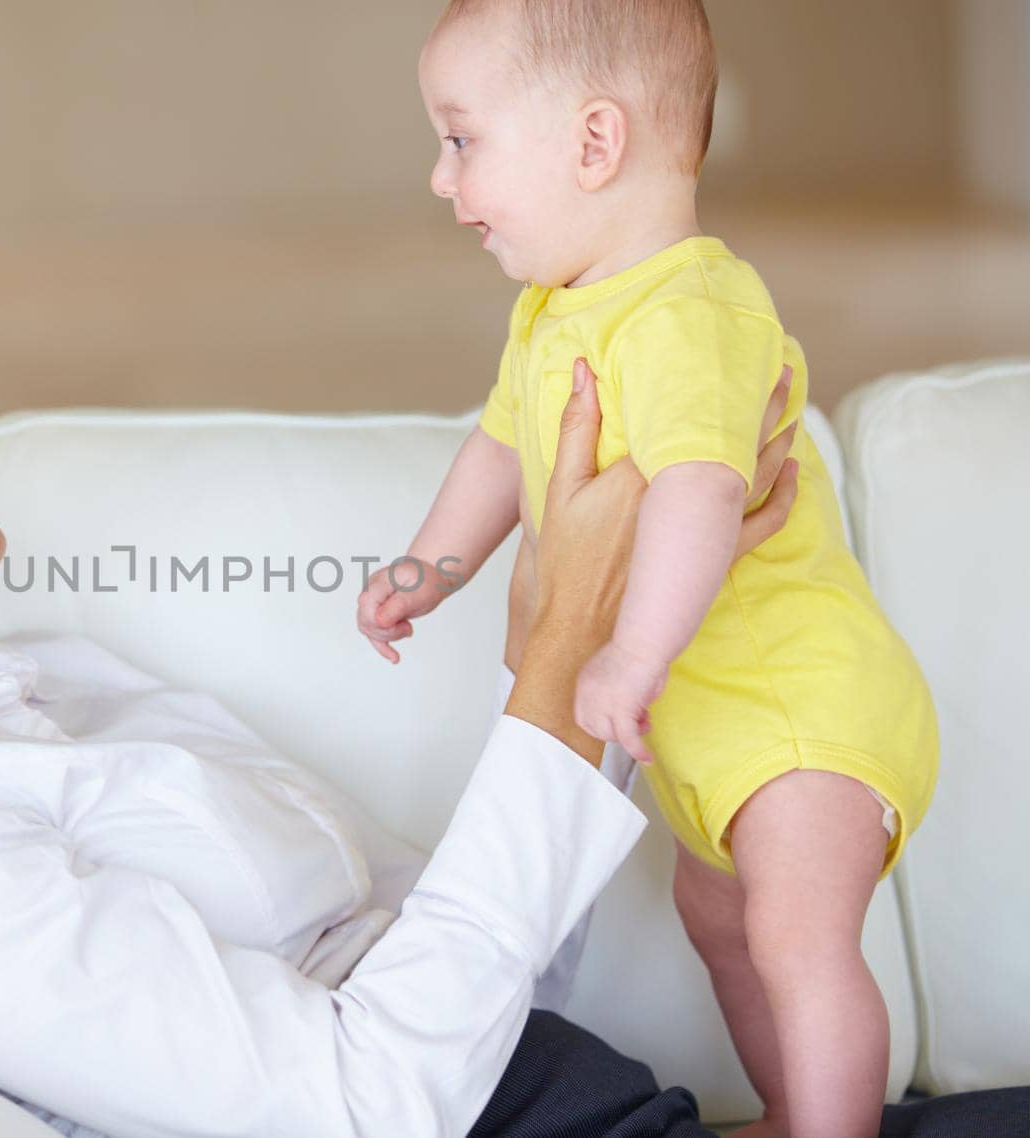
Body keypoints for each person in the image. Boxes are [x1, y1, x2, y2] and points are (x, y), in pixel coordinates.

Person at [0, 192, 1023, 1137]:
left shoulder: (40, 676)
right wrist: (564, 670)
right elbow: (367, 1104)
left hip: (607, 1096)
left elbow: (464, 968)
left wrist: (579, 637)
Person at [357, 3, 940, 1134]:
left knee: (792, 937)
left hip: (801, 706)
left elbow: (700, 488)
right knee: (720, 926)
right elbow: (497, 448)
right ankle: (794, 1109)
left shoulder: (690, 308)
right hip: (711, 731)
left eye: (462, 139)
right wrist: (432, 566)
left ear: (592, 143)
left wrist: (632, 650)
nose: (440, 178)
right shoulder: (551, 315)